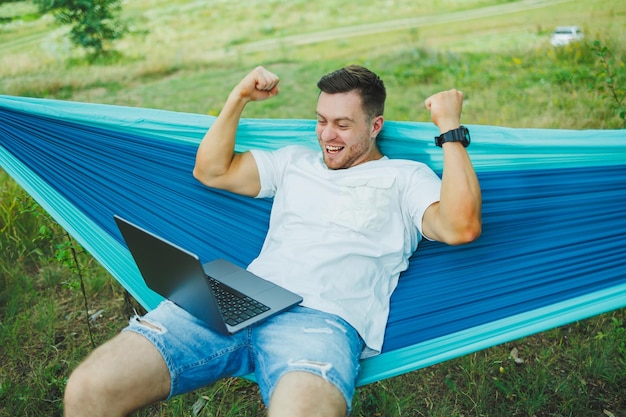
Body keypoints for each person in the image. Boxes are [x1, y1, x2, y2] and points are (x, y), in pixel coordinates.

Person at [63, 65, 481, 417]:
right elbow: (211, 170)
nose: (327, 136)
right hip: (238, 294)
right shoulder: (294, 161)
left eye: (342, 124)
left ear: (375, 126)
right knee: (87, 390)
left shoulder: (405, 178)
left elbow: (460, 226)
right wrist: (239, 97)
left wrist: (449, 128)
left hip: (321, 320)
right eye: (321, 120)